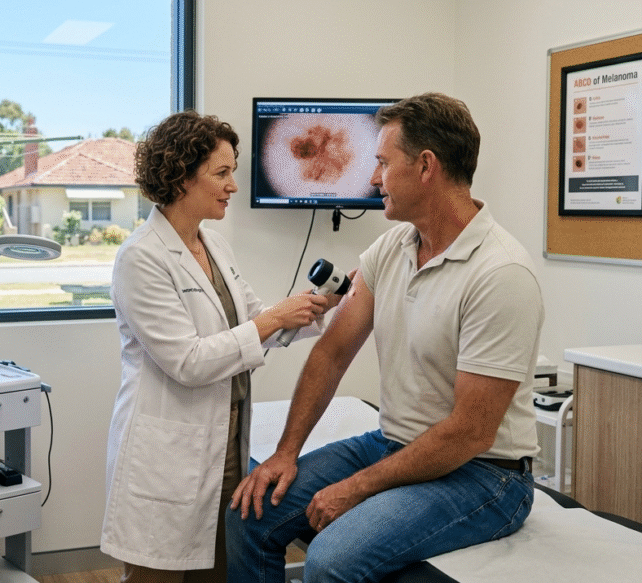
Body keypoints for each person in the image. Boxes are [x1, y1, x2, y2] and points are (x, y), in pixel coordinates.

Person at [226, 92, 545, 582]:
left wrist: (355, 488)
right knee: (250, 512)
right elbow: (332, 354)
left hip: (485, 473)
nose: (372, 179)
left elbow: (470, 432)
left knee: (332, 556)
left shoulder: (500, 274)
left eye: (381, 162)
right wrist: (286, 452)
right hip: (394, 443)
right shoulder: (391, 247)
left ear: (426, 166)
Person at [101, 111, 339, 583]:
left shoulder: (214, 246)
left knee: (217, 571)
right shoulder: (141, 257)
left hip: (227, 443)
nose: (232, 186)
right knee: (158, 576)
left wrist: (314, 309)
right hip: (168, 452)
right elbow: (186, 362)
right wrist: (274, 318)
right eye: (222, 173)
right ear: (181, 176)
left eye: (234, 173)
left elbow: (251, 324)